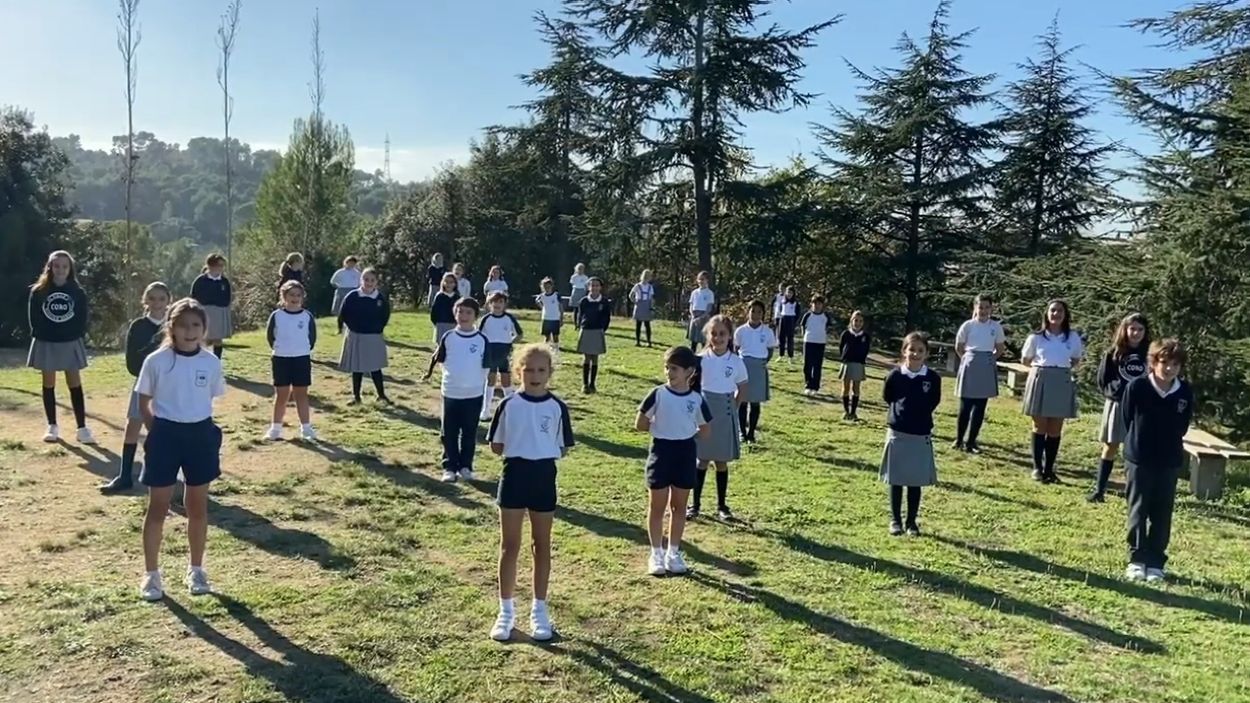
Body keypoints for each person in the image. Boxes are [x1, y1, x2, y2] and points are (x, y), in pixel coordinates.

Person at [134, 298, 226, 601]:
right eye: (183, 325)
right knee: (158, 507)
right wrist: (156, 430)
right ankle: (151, 576)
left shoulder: (211, 362)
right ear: (171, 327)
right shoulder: (156, 361)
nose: (190, 331)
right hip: (165, 436)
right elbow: (143, 401)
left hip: (200, 435)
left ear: (204, 328)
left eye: (196, 325)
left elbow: (210, 398)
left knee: (197, 507)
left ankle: (196, 570)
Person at [486, 344, 574, 642]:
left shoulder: (557, 407)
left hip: (543, 478)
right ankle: (506, 611)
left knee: (541, 545)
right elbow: (496, 446)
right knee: (509, 546)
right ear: (517, 371)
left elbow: (561, 446)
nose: (535, 375)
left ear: (549, 373)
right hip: (513, 477)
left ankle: (539, 610)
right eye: (529, 369)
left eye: (541, 370)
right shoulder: (508, 405)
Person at [1121, 339, 1193, 583]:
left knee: (1162, 512)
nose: (1169, 368)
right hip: (1140, 457)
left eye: (1175, 364)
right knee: (1138, 509)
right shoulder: (1138, 386)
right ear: (1154, 362)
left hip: (1169, 459)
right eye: (1164, 362)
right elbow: (1128, 417)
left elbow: (1182, 426)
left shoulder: (1184, 392)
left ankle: (1155, 561)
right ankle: (1137, 559)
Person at [637, 346, 711, 576]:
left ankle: (673, 553)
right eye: (667, 368)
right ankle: (656, 553)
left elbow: (705, 429)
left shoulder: (697, 399)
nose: (669, 372)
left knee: (678, 507)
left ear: (690, 371)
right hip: (661, 452)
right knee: (657, 506)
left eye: (675, 368)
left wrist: (686, 433)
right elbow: (640, 422)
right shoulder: (658, 394)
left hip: (685, 453)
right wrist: (661, 427)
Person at [100, 282, 170, 494]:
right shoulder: (138, 326)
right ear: (145, 301)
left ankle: (166, 477)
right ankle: (124, 476)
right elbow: (133, 361)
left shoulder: (174, 324)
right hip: (144, 383)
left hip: (169, 385)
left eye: (162, 299)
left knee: (164, 431)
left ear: (169, 301)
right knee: (133, 426)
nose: (157, 303)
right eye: (152, 298)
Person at [27, 250, 95, 444]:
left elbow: (82, 318)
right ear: (50, 267)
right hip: (47, 341)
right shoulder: (38, 291)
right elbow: (34, 318)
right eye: (56, 266)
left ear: (70, 268)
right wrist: (44, 335)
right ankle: (52, 426)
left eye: (65, 266)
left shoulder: (77, 292)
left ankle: (82, 428)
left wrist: (73, 335)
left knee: (74, 383)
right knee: (49, 384)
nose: (60, 270)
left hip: (69, 341)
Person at [880, 333, 941, 537]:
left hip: (920, 433)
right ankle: (895, 520)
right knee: (896, 480)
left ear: (927, 354)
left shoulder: (932, 379)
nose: (915, 354)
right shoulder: (895, 376)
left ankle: (911, 522)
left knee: (915, 481)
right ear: (904, 351)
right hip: (898, 433)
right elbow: (888, 397)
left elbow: (934, 401)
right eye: (911, 349)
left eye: (920, 350)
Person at [423, 297, 489, 482]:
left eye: (468, 312)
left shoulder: (482, 339)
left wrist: (475, 383)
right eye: (460, 311)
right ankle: (450, 467)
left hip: (474, 394)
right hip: (451, 393)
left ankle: (466, 467)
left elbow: (486, 366)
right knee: (449, 433)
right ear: (455, 313)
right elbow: (441, 360)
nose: (464, 316)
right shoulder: (449, 337)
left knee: (469, 433)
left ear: (476, 316)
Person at [689, 315, 748, 521]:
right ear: (708, 335)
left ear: (730, 336)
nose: (718, 337)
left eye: (722, 334)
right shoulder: (701, 358)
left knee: (721, 462)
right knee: (701, 460)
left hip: (725, 411)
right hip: (705, 410)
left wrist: (735, 405)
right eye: (714, 333)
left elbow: (742, 387)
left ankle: (722, 506)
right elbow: (692, 385)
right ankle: (694, 505)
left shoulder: (736, 361)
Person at [1089, 313, 1151, 503]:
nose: (1136, 333)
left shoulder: (1150, 353)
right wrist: (1115, 392)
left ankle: (1134, 492)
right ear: (1124, 329)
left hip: (1142, 407)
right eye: (1132, 328)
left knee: (1137, 449)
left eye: (1140, 329)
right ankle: (1099, 490)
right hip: (1117, 405)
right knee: (1111, 446)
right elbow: (1103, 380)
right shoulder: (1113, 352)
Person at [1021, 300, 1084, 484]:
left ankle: (1049, 469)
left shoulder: (1072, 337)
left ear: (1066, 315)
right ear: (1046, 314)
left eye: (1060, 311)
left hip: (1061, 380)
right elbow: (1026, 359)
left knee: (1055, 428)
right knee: (1039, 426)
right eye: (1053, 310)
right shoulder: (1036, 337)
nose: (1056, 314)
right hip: (1040, 377)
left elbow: (1075, 359)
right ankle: (1037, 468)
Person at [952, 295, 1007, 454]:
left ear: (991, 309)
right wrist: (967, 358)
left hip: (986, 364)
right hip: (970, 362)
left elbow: (1000, 347)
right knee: (965, 406)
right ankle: (959, 439)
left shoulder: (995, 327)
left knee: (980, 407)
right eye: (980, 307)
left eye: (986, 307)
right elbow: (959, 346)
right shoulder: (968, 326)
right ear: (975, 308)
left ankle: (971, 442)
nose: (983, 310)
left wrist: (990, 358)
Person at [263, 281, 318, 441]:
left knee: (301, 394)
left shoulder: (307, 316)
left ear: (302, 297)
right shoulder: (277, 315)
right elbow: (270, 336)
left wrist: (302, 350)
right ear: (284, 296)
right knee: (282, 395)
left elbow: (312, 338)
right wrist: (280, 349)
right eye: (291, 295)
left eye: (298, 295)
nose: (295, 298)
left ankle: (306, 429)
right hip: (281, 358)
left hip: (301, 358)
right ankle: (275, 429)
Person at [337, 268, 392, 405]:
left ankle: (381, 395)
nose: (369, 282)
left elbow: (385, 315)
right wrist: (353, 327)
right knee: (357, 368)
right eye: (366, 279)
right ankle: (356, 397)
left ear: (376, 282)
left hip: (373, 336)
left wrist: (378, 329)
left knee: (375, 367)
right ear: (361, 280)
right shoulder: (352, 296)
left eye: (372, 280)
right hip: (356, 335)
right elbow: (344, 314)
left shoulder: (380, 298)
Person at [734, 300, 777, 444]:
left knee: (755, 403)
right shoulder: (741, 331)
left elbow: (770, 349)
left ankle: (751, 433)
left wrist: (764, 362)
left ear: (763, 314)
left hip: (759, 367)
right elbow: (736, 349)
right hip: (744, 365)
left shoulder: (767, 331)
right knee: (742, 401)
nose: (756, 314)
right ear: (748, 312)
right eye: (753, 311)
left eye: (759, 312)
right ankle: (742, 432)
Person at [479, 291, 525, 420]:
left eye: (500, 302)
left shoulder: (509, 318)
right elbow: (479, 335)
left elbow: (519, 334)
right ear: (490, 303)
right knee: (491, 380)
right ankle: (486, 410)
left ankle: (510, 410)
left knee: (506, 380)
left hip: (504, 352)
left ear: (505, 304)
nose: (497, 304)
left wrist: (510, 342)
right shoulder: (486, 319)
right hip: (490, 352)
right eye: (494, 302)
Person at [190, 253, 232, 359]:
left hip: (219, 312)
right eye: (218, 265)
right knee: (204, 338)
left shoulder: (224, 282)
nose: (220, 268)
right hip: (204, 312)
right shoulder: (200, 281)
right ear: (210, 266)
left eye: (222, 266)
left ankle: (217, 360)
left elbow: (227, 297)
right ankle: (201, 359)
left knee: (217, 340)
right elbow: (194, 297)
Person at [576, 278, 612, 394]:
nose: (595, 287)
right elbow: (579, 315)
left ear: (600, 287)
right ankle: (585, 384)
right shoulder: (584, 301)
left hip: (597, 330)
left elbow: (607, 317)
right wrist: (579, 326)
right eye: (592, 285)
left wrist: (603, 328)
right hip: (586, 329)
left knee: (595, 358)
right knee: (586, 358)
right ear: (588, 287)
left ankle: (593, 384)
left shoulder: (604, 302)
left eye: (597, 285)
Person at [838, 311, 871, 421]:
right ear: (851, 321)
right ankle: (846, 411)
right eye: (855, 320)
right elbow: (841, 347)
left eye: (860, 321)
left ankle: (853, 412)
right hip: (847, 362)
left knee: (856, 388)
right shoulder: (846, 334)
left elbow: (866, 350)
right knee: (845, 387)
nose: (858, 323)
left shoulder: (866, 336)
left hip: (858, 363)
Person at [799, 295, 831, 396]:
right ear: (811, 304)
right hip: (808, 342)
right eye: (815, 303)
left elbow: (828, 327)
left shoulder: (825, 316)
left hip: (820, 343)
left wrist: (824, 336)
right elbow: (802, 326)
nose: (817, 306)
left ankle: (815, 387)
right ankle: (808, 384)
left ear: (822, 305)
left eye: (819, 304)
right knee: (807, 365)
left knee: (817, 366)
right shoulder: (808, 315)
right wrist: (805, 336)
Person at [330, 256, 363, 332]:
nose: (351, 264)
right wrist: (339, 288)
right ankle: (340, 329)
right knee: (340, 311)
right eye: (349, 262)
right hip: (341, 291)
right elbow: (333, 281)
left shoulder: (357, 273)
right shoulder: (340, 272)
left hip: (353, 291)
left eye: (353, 263)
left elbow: (360, 283)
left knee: (352, 311)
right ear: (346, 262)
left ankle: (351, 328)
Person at [687, 271, 715, 351]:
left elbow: (709, 308)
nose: (701, 281)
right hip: (694, 316)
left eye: (703, 279)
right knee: (693, 340)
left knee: (703, 340)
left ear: (707, 280)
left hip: (704, 317)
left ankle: (703, 358)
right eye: (699, 279)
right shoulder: (694, 292)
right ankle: (692, 357)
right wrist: (692, 315)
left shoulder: (709, 293)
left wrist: (701, 317)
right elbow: (691, 305)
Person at [430, 272, 460, 345]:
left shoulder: (457, 297)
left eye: (451, 282)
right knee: (441, 346)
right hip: (441, 324)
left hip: (454, 324)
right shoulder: (439, 296)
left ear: (455, 284)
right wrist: (437, 323)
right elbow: (434, 312)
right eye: (446, 281)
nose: (448, 284)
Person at [535, 277, 564, 349]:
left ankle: (556, 348)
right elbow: (538, 302)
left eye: (548, 286)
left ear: (551, 286)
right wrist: (542, 307)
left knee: (555, 336)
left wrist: (561, 318)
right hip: (546, 318)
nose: (547, 288)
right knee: (546, 336)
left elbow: (561, 307)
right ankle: (546, 348)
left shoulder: (556, 295)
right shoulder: (541, 296)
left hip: (555, 318)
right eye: (545, 287)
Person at [629, 270, 656, 347]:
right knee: (638, 325)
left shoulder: (650, 287)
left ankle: (649, 342)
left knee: (647, 325)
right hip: (639, 305)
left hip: (647, 305)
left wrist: (651, 307)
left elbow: (651, 298)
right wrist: (635, 302)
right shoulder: (637, 286)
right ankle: (638, 342)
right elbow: (631, 295)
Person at [775, 285, 799, 365]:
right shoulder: (782, 301)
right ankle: (781, 355)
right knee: (781, 338)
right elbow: (781, 310)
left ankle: (790, 357)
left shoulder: (795, 303)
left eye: (791, 293)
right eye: (788, 292)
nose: (789, 294)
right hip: (783, 319)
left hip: (791, 320)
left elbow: (797, 314)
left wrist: (794, 321)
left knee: (790, 339)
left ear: (793, 294)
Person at [569, 263, 590, 328]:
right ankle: (575, 324)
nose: (581, 270)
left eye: (582, 269)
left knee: (581, 309)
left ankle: (581, 323)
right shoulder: (574, 277)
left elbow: (586, 286)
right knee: (575, 309)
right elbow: (572, 284)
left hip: (582, 292)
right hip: (576, 291)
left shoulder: (585, 277)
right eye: (579, 269)